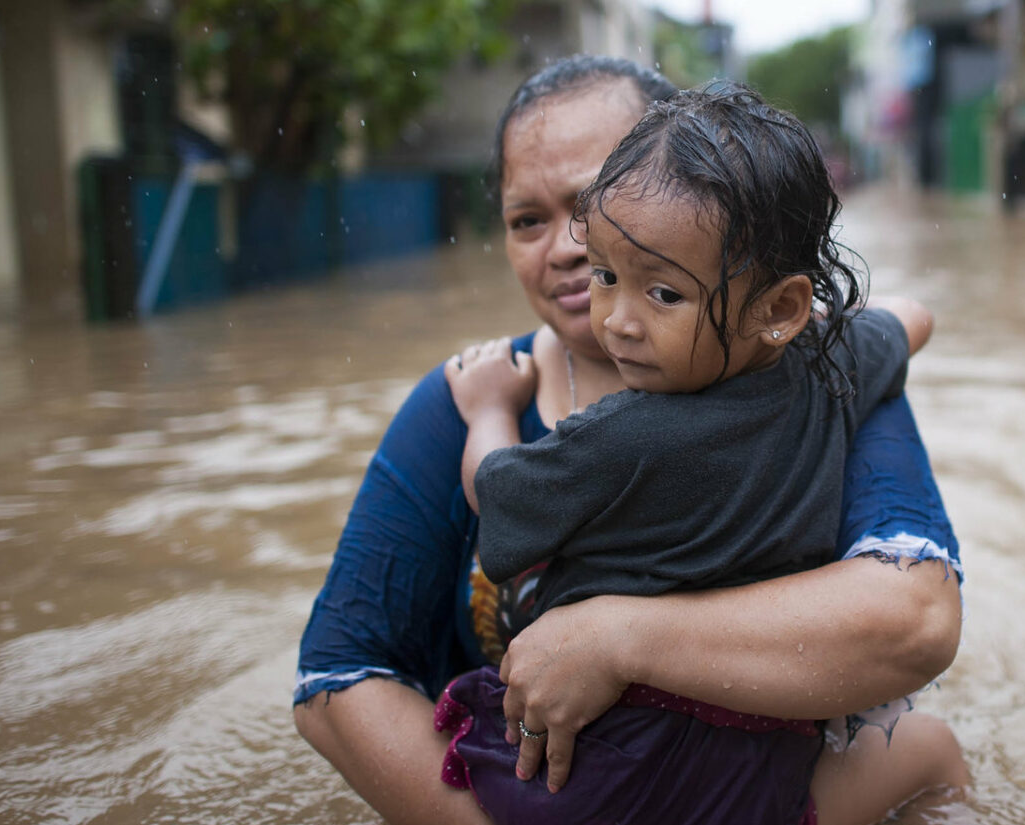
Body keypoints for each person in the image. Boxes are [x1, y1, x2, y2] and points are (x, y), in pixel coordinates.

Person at [292, 57, 967, 825]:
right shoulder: (825, 365)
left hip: (609, 786)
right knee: (930, 746)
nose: (567, 250)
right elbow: (337, 674)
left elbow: (913, 618)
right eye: (526, 221)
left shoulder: (818, 379)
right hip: (749, 784)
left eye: (588, 205)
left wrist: (620, 639)